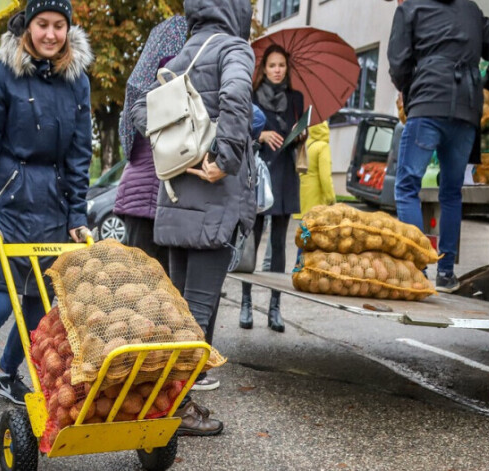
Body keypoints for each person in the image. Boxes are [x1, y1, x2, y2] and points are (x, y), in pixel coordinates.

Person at [131, 0, 256, 435]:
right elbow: (237, 98)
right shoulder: (233, 48)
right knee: (196, 314)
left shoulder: (181, 55)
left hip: (176, 197)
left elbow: (139, 109)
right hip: (215, 201)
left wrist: (183, 150)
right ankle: (173, 410)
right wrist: (225, 157)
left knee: (177, 311)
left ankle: (160, 399)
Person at [0, 1, 93, 405]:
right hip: (6, 204)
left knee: (41, 311)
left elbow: (79, 153)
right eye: (42, 24)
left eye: (59, 26)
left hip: (52, 207)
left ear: (68, 30)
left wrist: (77, 212)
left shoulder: (76, 81)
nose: (51, 34)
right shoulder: (1, 75)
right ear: (27, 26)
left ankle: (4, 373)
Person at [387, 0, 489, 293]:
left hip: (428, 103)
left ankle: (419, 269)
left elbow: (399, 63)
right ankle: (446, 274)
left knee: (406, 187)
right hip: (467, 111)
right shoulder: (471, 10)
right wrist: (485, 86)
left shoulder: (411, 8)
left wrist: (408, 90)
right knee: (452, 194)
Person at [239, 44, 304, 333]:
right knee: (251, 243)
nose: (278, 70)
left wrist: (301, 135)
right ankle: (245, 304)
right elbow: (239, 129)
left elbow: (298, 135)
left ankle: (275, 309)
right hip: (259, 174)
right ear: (263, 69)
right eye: (272, 65)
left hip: (286, 175)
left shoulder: (296, 98)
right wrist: (260, 133)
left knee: (279, 245)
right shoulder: (251, 97)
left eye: (282, 65)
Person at [115, 15, 188, 273]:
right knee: (155, 283)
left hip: (141, 195)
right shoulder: (176, 87)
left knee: (140, 280)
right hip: (154, 196)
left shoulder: (142, 91)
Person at [299, 121, 336, 216]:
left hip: (303, 193)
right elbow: (325, 176)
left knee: (304, 228)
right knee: (315, 228)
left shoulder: (306, 144)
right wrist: (330, 198)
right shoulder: (323, 147)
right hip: (316, 197)